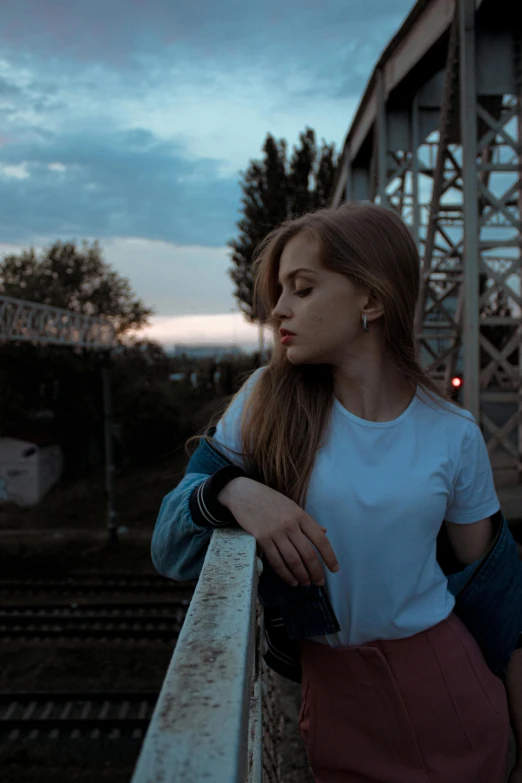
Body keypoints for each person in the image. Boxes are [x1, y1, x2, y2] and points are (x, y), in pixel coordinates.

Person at [156, 202, 513, 782]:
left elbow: (497, 599)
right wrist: (233, 491)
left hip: (448, 689)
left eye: (302, 289)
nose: (278, 310)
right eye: (280, 291)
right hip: (332, 697)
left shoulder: (454, 434)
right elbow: (168, 548)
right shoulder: (267, 402)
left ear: (371, 300)